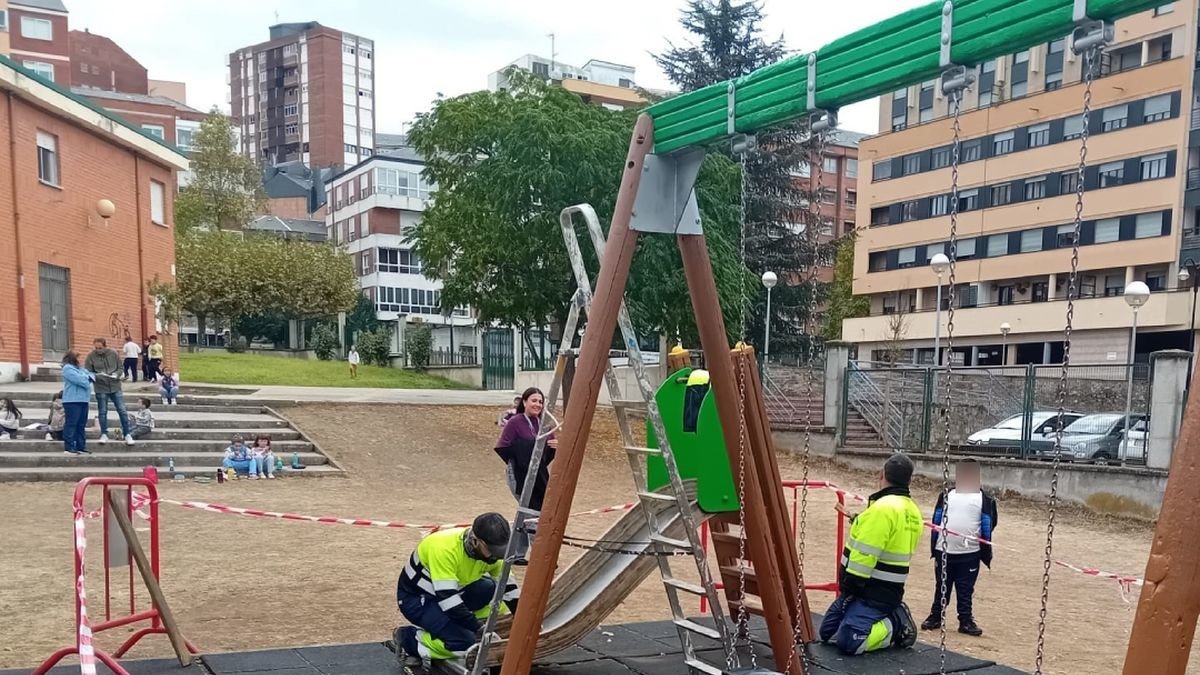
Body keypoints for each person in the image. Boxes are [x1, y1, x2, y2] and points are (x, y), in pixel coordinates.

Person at [820, 453, 922, 655]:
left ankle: (896, 622)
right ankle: (885, 615)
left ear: (881, 474)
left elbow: (865, 554)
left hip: (871, 592)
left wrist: (851, 586)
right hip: (882, 589)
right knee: (828, 633)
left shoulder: (883, 509)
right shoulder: (912, 511)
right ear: (909, 480)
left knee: (851, 642)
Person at [392, 513, 519, 674]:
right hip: (417, 599)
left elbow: (509, 588)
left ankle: (451, 626)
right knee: (464, 643)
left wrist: (523, 619)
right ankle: (409, 638)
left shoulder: (493, 552)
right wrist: (478, 629)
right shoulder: (444, 549)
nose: (497, 557)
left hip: (452, 593)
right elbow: (449, 601)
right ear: (475, 541)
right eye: (493, 551)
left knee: (489, 587)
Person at [922, 458, 998, 637]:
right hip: (944, 551)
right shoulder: (946, 495)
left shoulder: (986, 499)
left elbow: (990, 523)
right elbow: (937, 518)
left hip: (969, 553)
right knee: (942, 585)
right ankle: (936, 616)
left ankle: (965, 620)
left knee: (965, 589)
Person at [494, 387, 557, 565]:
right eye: (534, 400)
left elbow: (547, 453)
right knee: (531, 511)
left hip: (539, 476)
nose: (537, 404)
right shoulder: (515, 422)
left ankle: (516, 553)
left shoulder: (544, 424)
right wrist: (524, 453)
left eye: (540, 401)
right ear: (524, 402)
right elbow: (502, 447)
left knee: (526, 513)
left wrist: (554, 446)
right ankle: (540, 555)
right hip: (519, 475)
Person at [85, 338, 135, 446]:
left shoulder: (113, 354)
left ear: (105, 346)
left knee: (122, 410)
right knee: (102, 411)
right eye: (96, 348)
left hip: (115, 385)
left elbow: (121, 368)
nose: (98, 350)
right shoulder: (91, 356)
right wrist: (97, 375)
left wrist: (116, 374)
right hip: (101, 386)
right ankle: (104, 433)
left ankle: (127, 433)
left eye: (100, 348)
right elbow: (88, 371)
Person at [61, 351, 94, 455]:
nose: (81, 360)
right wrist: (87, 377)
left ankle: (81, 446)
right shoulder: (67, 368)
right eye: (79, 358)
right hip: (72, 400)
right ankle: (69, 447)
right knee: (71, 424)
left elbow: (92, 376)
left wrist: (87, 377)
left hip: (84, 399)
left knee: (81, 424)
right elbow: (81, 381)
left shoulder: (80, 369)